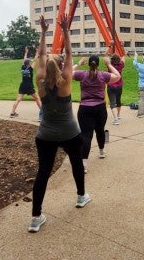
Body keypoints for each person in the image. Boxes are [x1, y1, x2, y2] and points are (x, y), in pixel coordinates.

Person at [28, 14, 91, 234]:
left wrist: (45, 32)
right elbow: (70, 53)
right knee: (76, 164)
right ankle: (81, 196)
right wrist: (65, 30)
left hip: (45, 134)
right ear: (61, 66)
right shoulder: (65, 83)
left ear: (46, 67)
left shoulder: (40, 82)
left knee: (43, 172)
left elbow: (43, 55)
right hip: (69, 133)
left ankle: (35, 217)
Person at [73, 54, 120, 173]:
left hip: (84, 108)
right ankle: (101, 151)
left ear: (88, 63)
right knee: (100, 130)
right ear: (98, 64)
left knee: (86, 135)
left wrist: (79, 64)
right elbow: (118, 76)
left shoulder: (82, 74)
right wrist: (109, 64)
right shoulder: (103, 75)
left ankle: (83, 164)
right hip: (100, 108)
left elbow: (65, 73)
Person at [10, 47, 42, 118]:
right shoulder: (30, 68)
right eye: (30, 62)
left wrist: (26, 52)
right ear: (29, 63)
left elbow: (24, 60)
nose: (31, 62)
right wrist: (37, 52)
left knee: (18, 100)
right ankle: (42, 114)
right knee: (37, 99)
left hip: (22, 85)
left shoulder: (22, 67)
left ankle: (12, 112)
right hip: (29, 86)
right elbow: (35, 60)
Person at [106, 52, 126, 125]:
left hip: (111, 86)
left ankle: (116, 119)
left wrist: (109, 47)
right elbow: (123, 56)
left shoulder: (109, 65)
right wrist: (122, 48)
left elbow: (105, 57)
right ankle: (118, 115)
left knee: (112, 102)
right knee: (118, 101)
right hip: (119, 86)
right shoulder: (121, 64)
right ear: (118, 59)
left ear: (112, 60)